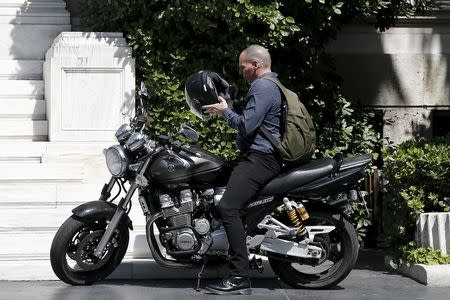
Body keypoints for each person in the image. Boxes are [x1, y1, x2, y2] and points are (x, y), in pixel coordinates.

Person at [202, 45, 283, 295]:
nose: (241, 71)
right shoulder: (269, 85)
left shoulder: (263, 87)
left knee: (228, 207)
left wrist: (224, 111)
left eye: (243, 67)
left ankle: (239, 276)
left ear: (255, 65)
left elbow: (246, 126)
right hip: (257, 156)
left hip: (261, 159)